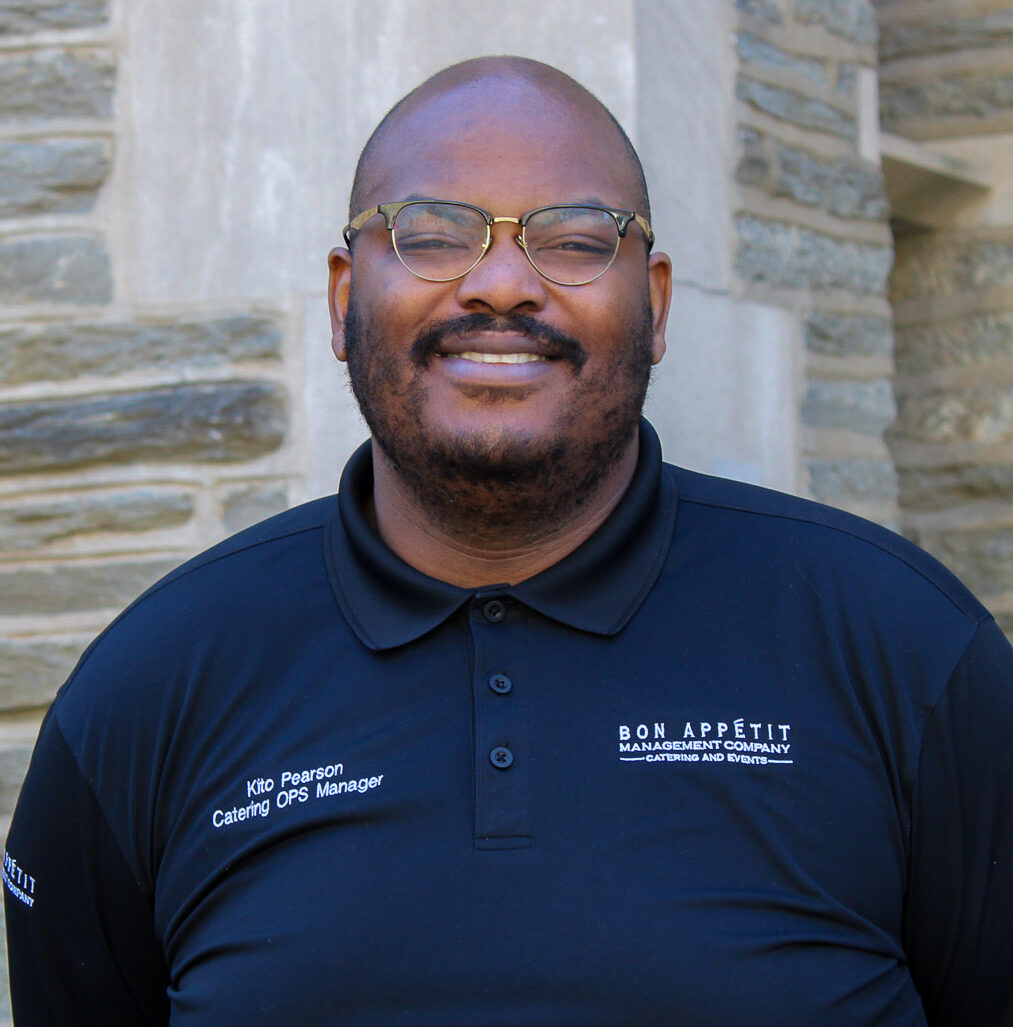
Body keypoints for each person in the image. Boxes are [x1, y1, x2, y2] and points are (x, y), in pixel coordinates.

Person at [4, 55, 1012, 1026]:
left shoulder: (902, 651)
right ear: (343, 296)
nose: (498, 283)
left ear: (653, 303)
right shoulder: (149, 689)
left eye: (571, 238)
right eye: (431, 232)